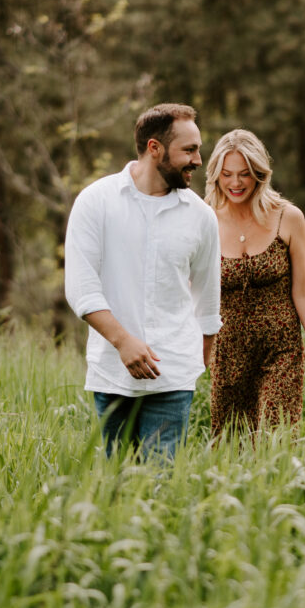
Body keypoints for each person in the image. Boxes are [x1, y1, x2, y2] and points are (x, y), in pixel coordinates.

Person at [65, 103, 221, 459]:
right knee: (115, 484)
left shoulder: (201, 217)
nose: (199, 160)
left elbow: (208, 302)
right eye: (189, 150)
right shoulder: (95, 202)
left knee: (161, 487)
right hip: (112, 375)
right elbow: (81, 288)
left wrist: (192, 368)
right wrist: (122, 342)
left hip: (174, 379)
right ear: (155, 148)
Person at [204, 128, 305, 437]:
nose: (235, 183)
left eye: (245, 174)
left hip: (281, 350)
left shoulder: (287, 217)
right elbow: (194, 294)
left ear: (260, 174)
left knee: (278, 440)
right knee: (229, 443)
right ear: (216, 176)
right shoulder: (204, 219)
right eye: (227, 174)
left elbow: (303, 292)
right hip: (228, 352)